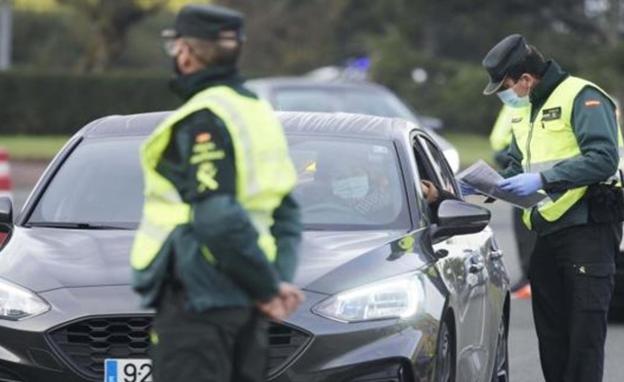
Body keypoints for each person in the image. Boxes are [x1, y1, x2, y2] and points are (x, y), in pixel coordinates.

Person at [130, 4, 304, 382]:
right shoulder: (258, 113)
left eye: (175, 46)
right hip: (248, 306)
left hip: (200, 301)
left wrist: (267, 287)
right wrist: (276, 282)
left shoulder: (204, 117)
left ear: (187, 54)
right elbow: (287, 214)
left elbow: (217, 216)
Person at [482, 34, 624, 382]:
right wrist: (485, 184)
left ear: (527, 79)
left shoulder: (583, 96)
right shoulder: (525, 109)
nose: (507, 94)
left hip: (588, 230)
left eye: (507, 85)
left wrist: (544, 180)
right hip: (546, 231)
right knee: (553, 338)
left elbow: (604, 159)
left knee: (583, 340)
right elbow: (519, 164)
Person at [489, 105, 537, 292]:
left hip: (530, 172)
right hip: (512, 161)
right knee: (522, 231)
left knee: (531, 232)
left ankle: (531, 277)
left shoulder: (531, 102)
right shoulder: (513, 102)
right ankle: (527, 276)